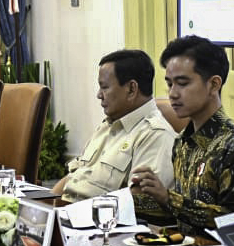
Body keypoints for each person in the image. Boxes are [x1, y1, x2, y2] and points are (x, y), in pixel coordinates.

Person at [131, 35, 234, 236]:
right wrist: (133, 201)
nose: (173, 94)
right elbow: (179, 215)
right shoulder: (182, 142)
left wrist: (168, 198)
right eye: (169, 84)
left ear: (214, 85)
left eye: (182, 83)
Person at [55, 49, 175, 203]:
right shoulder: (108, 125)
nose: (99, 94)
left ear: (131, 89)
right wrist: (46, 212)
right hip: (66, 213)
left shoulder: (155, 135)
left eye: (104, 87)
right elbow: (73, 177)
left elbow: (138, 201)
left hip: (97, 222)